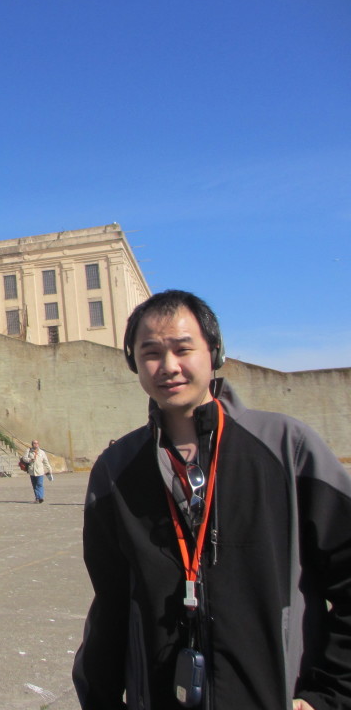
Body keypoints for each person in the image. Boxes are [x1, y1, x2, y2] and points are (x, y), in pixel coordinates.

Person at [73, 290, 351, 710]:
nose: (168, 366)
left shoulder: (286, 448)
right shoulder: (116, 470)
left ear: (215, 353)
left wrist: (328, 696)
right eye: (150, 353)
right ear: (134, 364)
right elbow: (111, 605)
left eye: (183, 349)